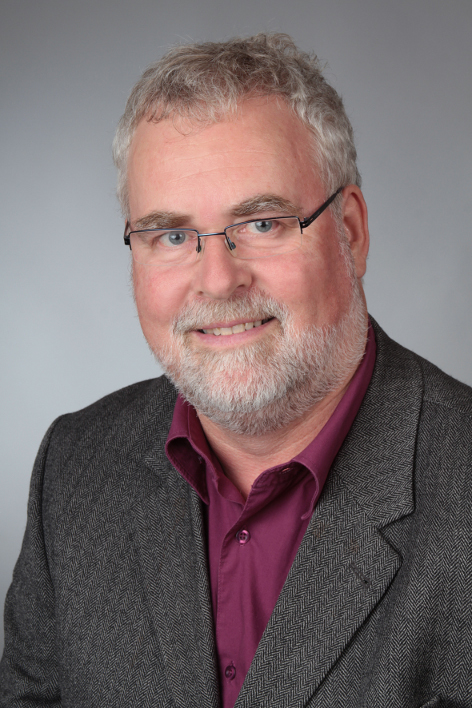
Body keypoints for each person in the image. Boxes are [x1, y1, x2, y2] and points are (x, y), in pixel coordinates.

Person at [1, 33, 471, 708]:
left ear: (350, 231)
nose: (219, 280)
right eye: (171, 235)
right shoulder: (75, 468)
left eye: (262, 224)